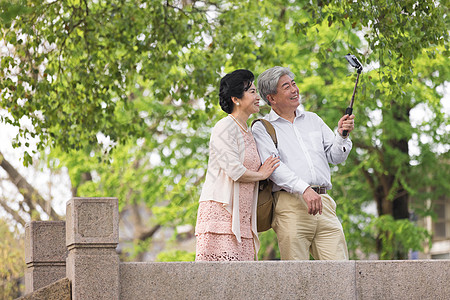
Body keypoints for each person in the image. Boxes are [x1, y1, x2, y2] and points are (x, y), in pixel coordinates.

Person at [252, 66, 355, 260]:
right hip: (290, 206)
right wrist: (304, 189)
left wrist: (341, 135)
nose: (294, 90)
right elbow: (274, 167)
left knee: (340, 273)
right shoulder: (262, 127)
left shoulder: (313, 119)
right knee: (297, 277)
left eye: (294, 83)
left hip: (324, 204)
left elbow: (336, 157)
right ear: (271, 98)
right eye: (286, 86)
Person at [195, 69, 280, 261]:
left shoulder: (249, 131)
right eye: (251, 92)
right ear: (236, 99)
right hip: (221, 214)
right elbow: (234, 170)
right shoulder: (224, 127)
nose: (258, 97)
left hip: (243, 218)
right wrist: (262, 174)